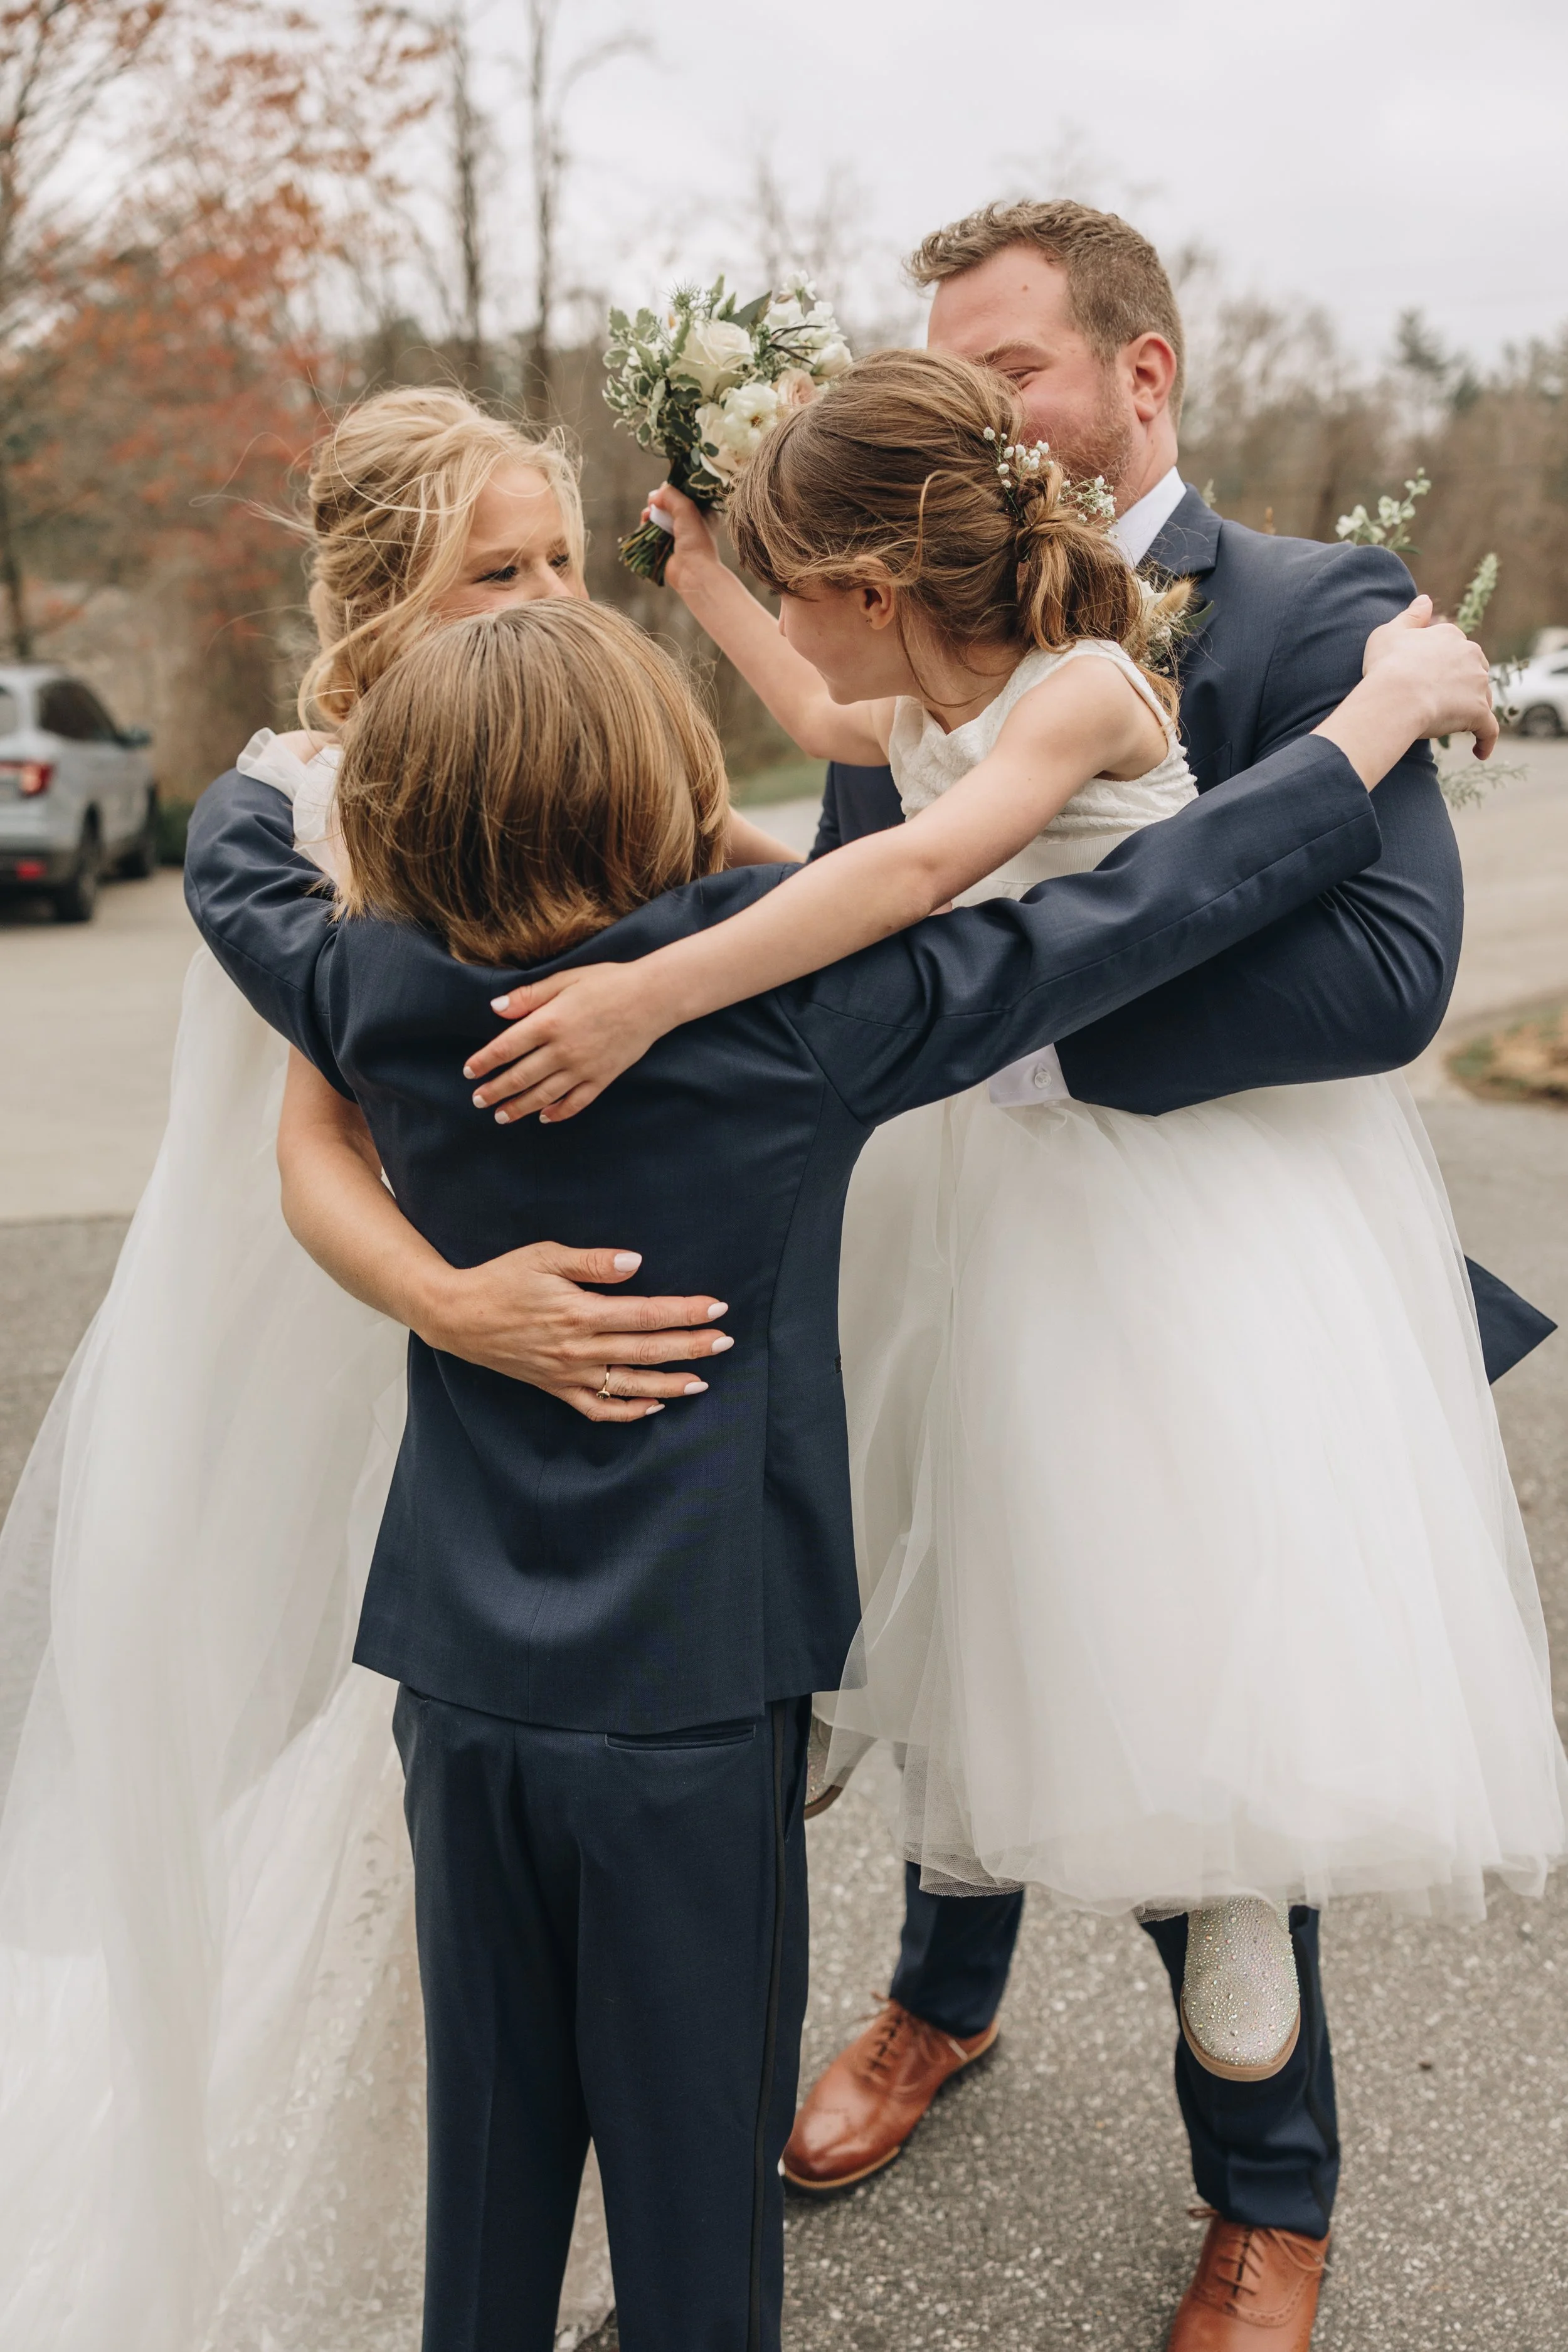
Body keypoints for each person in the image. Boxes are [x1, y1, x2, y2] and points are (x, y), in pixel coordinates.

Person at [181, 578, 1478, 2352]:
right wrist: (1373, 716)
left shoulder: (372, 985)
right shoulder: (794, 1024)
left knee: (484, 2184)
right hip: (692, 1706)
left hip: (457, 1684)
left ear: (408, 809)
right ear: (655, 784)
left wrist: (313, 742)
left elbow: (232, 859)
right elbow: (1146, 903)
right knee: (695, 2203)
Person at [453, 346, 1557, 2352]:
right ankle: (908, 1936)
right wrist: (699, 569)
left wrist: (651, 1000)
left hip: (1181, 1208)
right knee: (991, 1537)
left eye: (798, 573)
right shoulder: (923, 677)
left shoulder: (1090, 682)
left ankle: (1230, 1909)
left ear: (879, 577)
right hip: (998, 1195)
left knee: (1184, 1544)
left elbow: (909, 869)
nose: (795, 620)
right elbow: (811, 721)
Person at [0, 385, 766, 2351]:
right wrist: (457, 1304)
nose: (537, 600)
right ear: (372, 605)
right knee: (391, 1815)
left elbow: (773, 882)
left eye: (559, 566)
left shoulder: (595, 756)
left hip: (602, 1412)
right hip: (389, 1354)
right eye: (486, 572)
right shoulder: (332, 806)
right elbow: (307, 1145)